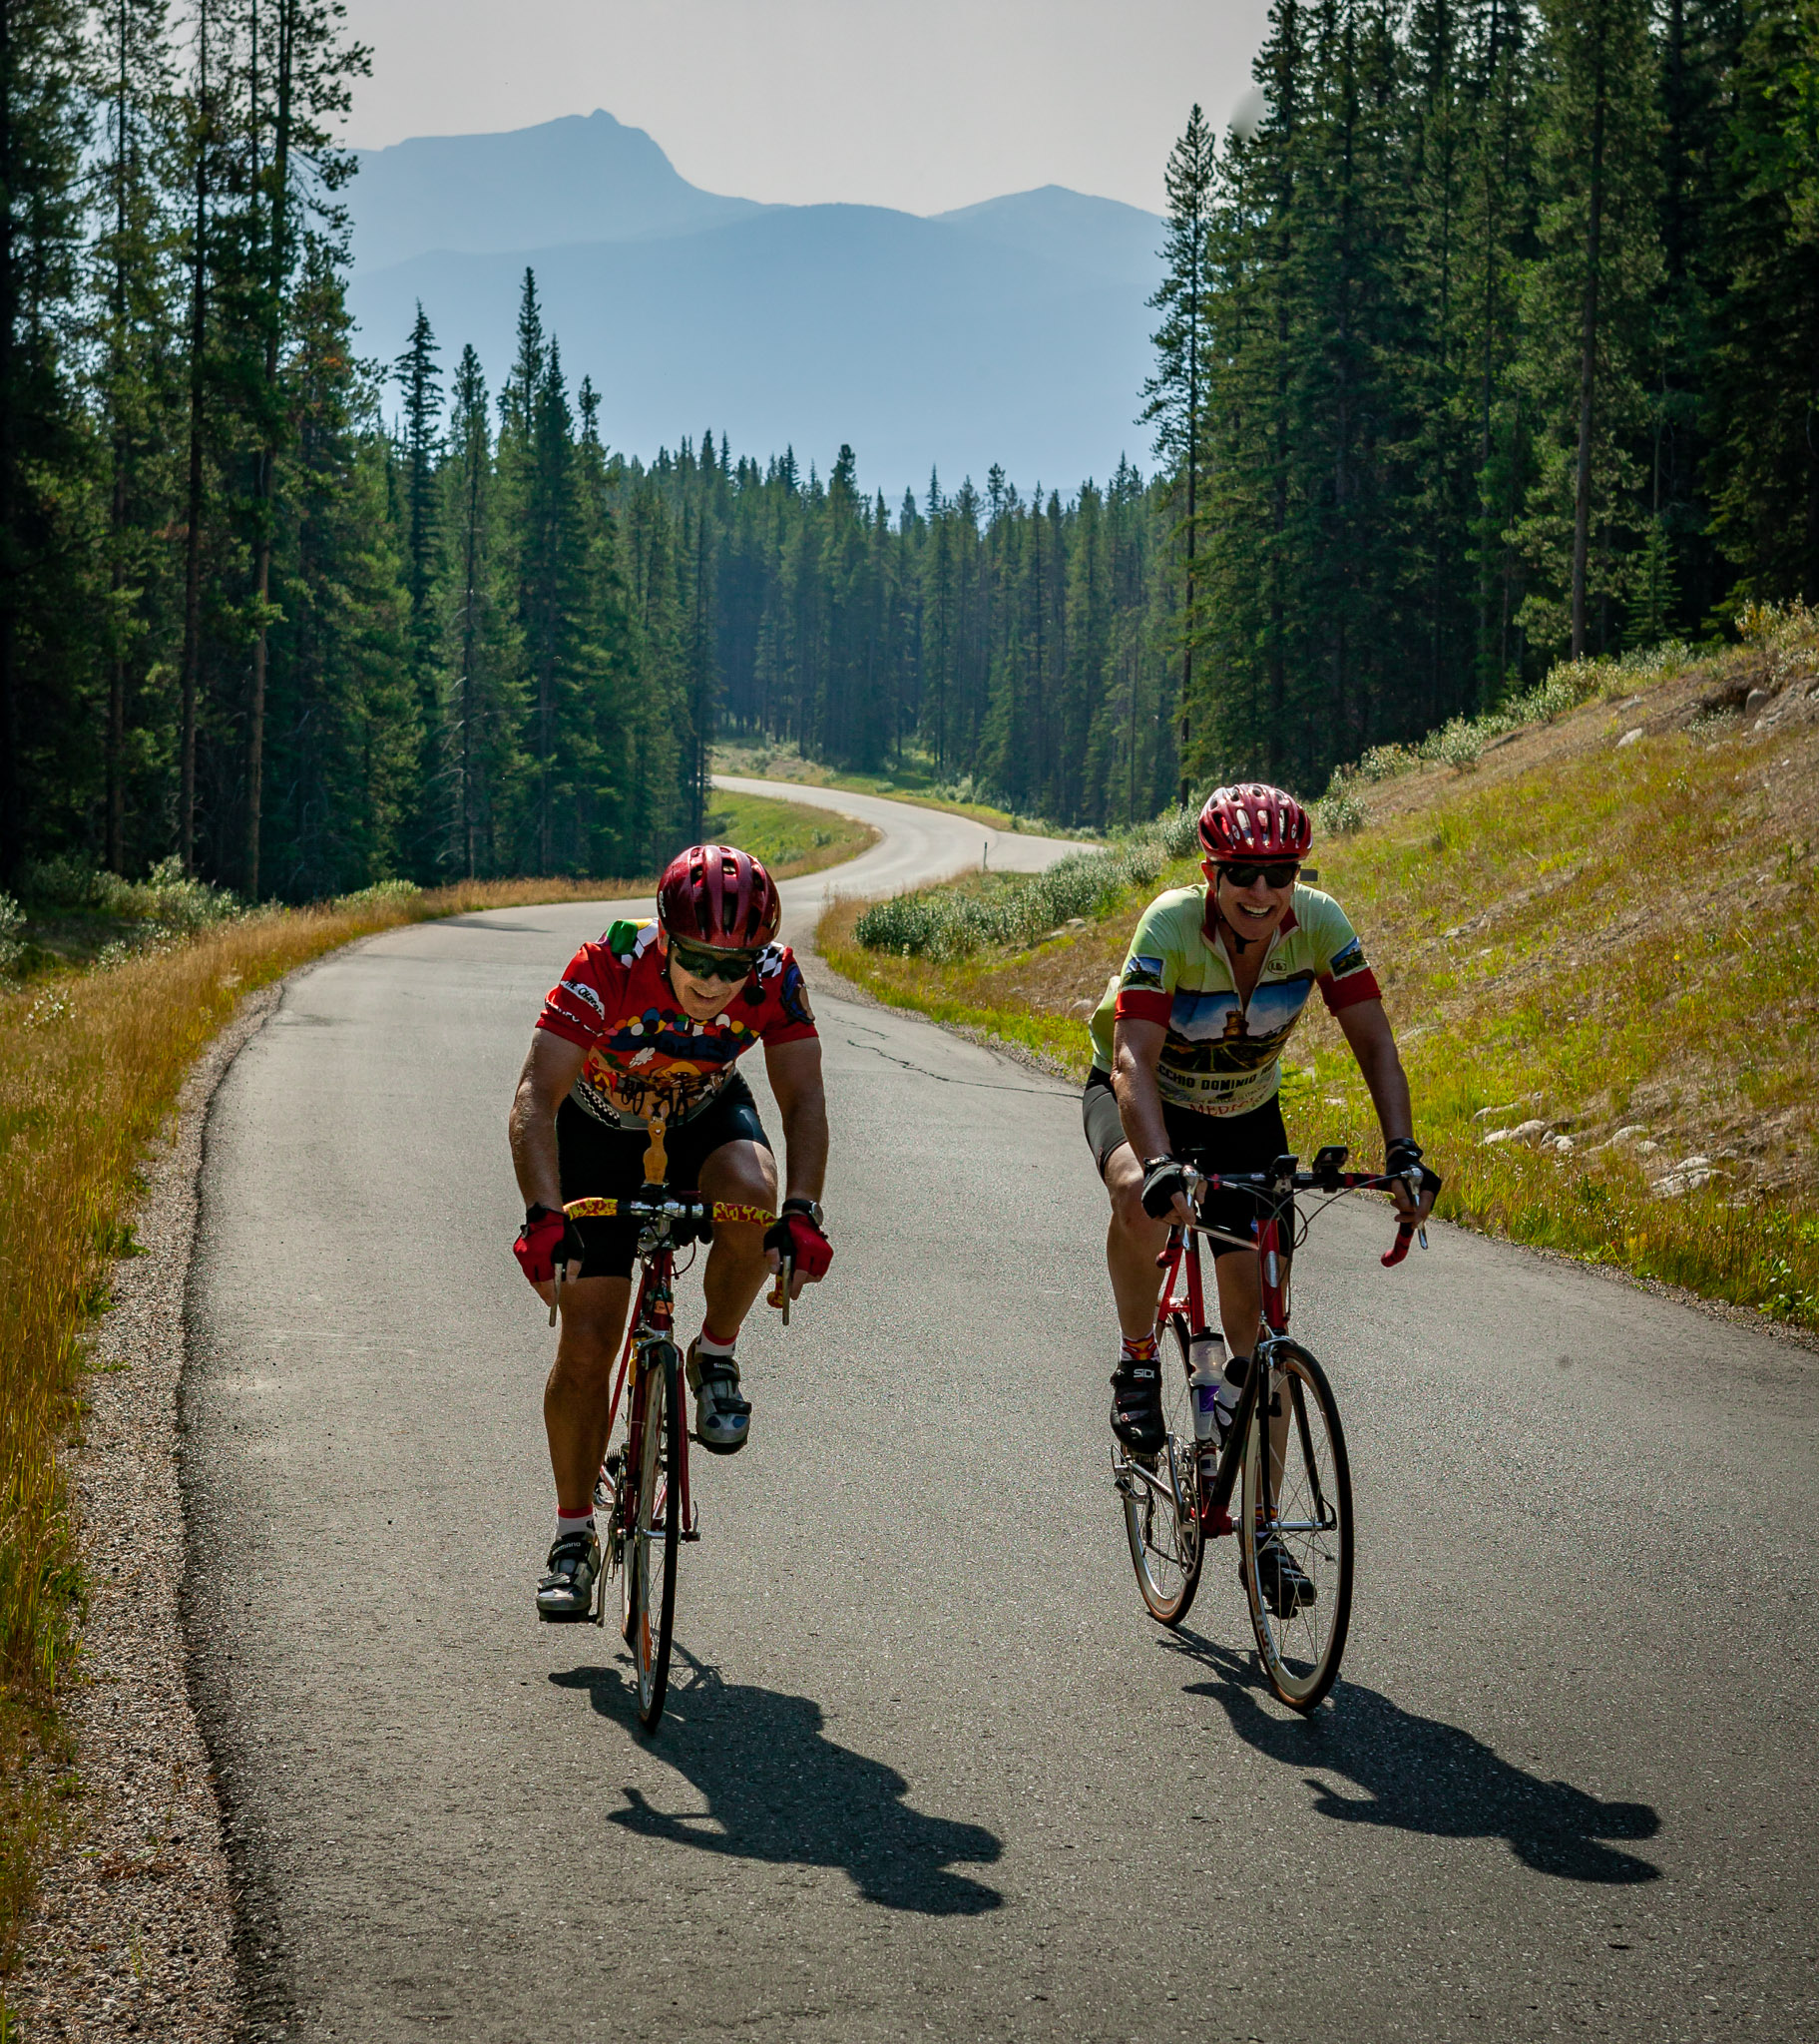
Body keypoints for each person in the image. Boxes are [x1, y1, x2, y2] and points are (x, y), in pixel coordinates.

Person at [1083, 783, 1439, 1597]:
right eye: (1242, 871)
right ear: (1211, 871)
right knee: (1139, 1186)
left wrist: (1402, 1151)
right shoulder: (1170, 924)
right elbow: (1132, 1055)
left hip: (1246, 1114)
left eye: (1278, 871)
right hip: (1144, 1096)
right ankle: (1138, 1363)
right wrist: (1164, 1162)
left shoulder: (1318, 922)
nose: (1261, 890)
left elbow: (1374, 1041)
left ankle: (1262, 1532)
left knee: (1263, 1346)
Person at [508, 843, 833, 1621]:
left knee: (755, 1199)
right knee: (588, 1343)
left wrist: (805, 1212)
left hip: (701, 1117)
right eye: (697, 961)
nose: (716, 984)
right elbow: (535, 1096)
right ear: (663, 936)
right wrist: (543, 1218)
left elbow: (804, 1100)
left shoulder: (775, 978)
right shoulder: (606, 966)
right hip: (596, 1131)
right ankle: (571, 1537)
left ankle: (714, 1352)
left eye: (735, 966)